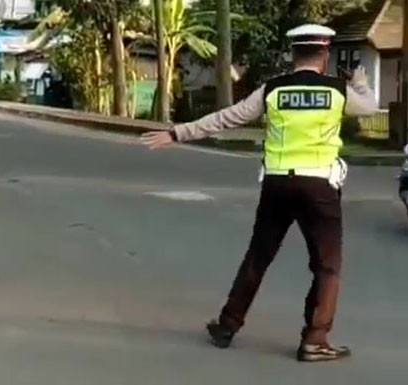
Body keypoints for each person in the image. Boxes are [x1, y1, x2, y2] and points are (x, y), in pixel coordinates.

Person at [140, 24, 378, 362]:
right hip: (319, 187)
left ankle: (227, 325)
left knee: (258, 256)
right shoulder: (337, 90)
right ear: (324, 54)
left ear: (294, 54)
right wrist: (361, 83)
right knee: (327, 267)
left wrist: (178, 134)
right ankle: (315, 340)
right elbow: (369, 107)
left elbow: (227, 118)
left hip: (277, 185)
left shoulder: (273, 90)